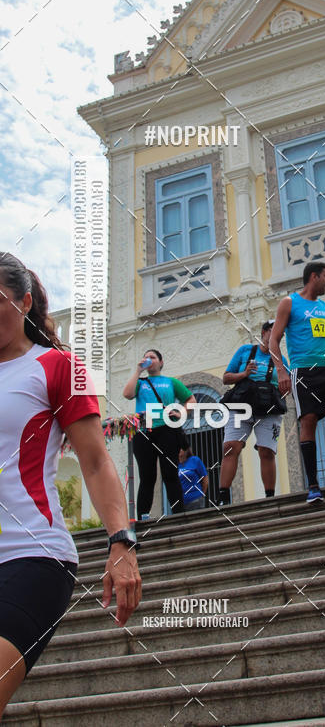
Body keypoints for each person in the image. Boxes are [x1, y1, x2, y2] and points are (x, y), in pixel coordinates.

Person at [0, 253, 141, 714]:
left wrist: (121, 542)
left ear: (23, 302)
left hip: (31, 557)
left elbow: (97, 462)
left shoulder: (59, 367)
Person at [270, 262, 325, 504]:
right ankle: (313, 485)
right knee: (308, 421)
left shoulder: (323, 306)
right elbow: (274, 341)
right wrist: (282, 372)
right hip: (304, 372)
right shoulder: (289, 302)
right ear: (313, 276)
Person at [217, 321, 289, 506]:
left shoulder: (281, 360)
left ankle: (270, 497)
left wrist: (282, 388)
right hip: (241, 405)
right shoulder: (245, 351)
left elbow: (287, 385)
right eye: (273, 332)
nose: (277, 336)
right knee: (231, 446)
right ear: (264, 332)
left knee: (266, 451)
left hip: (268, 408)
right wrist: (244, 374)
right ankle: (223, 496)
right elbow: (226, 377)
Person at [123, 350, 195, 519]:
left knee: (170, 474)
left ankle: (178, 514)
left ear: (161, 362)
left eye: (153, 357)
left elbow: (191, 400)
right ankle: (143, 517)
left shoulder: (170, 382)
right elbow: (127, 394)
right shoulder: (140, 382)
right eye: (146, 357)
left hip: (167, 430)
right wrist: (138, 371)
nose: (149, 359)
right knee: (147, 477)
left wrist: (182, 413)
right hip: (144, 432)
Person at [178, 446, 209, 511]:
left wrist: (202, 494)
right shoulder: (174, 464)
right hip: (180, 502)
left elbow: (205, 479)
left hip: (196, 499)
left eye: (181, 448)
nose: (180, 450)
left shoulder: (195, 460)